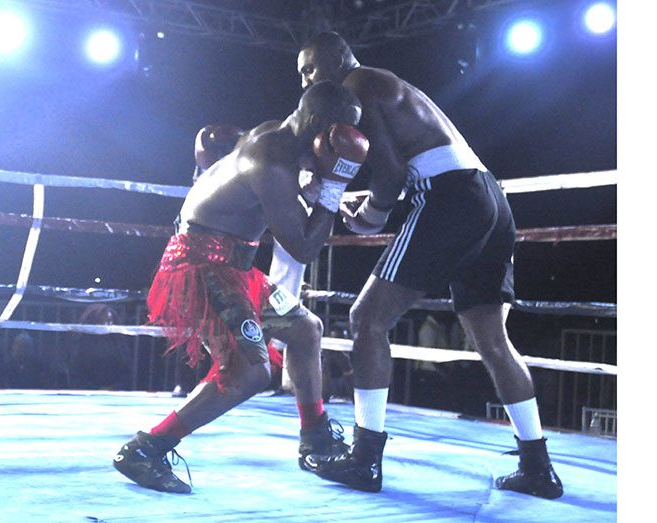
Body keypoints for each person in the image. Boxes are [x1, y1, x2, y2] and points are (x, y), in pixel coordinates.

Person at [296, 32, 562, 499]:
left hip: (450, 197)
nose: (304, 81)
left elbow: (393, 173)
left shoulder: (358, 86)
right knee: (492, 340)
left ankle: (364, 459)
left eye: (309, 69)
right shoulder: (384, 85)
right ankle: (538, 466)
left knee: (366, 320)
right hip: (488, 198)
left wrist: (370, 218)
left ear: (338, 57)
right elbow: (397, 167)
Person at [112, 80, 368, 493]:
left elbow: (288, 197)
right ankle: (147, 448)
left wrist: (322, 190)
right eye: (345, 130)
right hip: (200, 265)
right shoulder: (269, 160)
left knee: (306, 330)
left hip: (235, 267)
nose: (348, 142)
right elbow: (303, 247)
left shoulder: (278, 136)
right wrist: (336, 185)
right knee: (250, 372)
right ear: (322, 124)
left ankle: (315, 436)